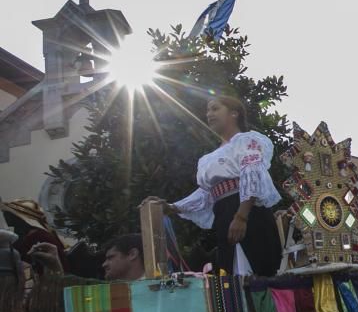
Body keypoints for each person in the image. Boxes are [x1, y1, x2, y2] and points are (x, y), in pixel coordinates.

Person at [146, 95, 282, 276]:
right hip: (224, 216)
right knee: (231, 275)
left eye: (215, 108)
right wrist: (172, 207)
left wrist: (241, 217)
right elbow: (205, 194)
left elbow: (252, 173)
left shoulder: (247, 140)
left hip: (248, 213)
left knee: (257, 270)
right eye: (208, 110)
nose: (209, 114)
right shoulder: (209, 159)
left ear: (234, 113)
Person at [28, 234, 145, 281]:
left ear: (132, 254)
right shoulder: (108, 292)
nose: (104, 264)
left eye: (110, 257)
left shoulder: (160, 288)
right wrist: (54, 267)